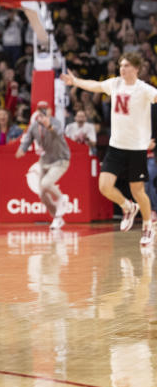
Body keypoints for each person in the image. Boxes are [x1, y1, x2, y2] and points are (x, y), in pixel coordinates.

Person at [62, 53, 157, 246]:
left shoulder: (144, 89)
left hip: (137, 148)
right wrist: (75, 81)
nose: (122, 69)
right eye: (121, 65)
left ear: (136, 69)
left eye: (127, 66)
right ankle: (128, 207)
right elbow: (95, 86)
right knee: (104, 186)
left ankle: (148, 226)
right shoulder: (115, 84)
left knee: (138, 191)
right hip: (116, 146)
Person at [15, 101, 71, 230]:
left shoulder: (55, 122)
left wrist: (49, 126)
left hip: (60, 159)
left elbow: (58, 132)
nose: (42, 112)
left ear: (50, 111)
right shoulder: (34, 126)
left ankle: (62, 198)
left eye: (45, 109)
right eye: (40, 109)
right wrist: (22, 149)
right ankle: (57, 218)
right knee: (42, 193)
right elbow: (27, 139)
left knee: (46, 184)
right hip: (45, 160)